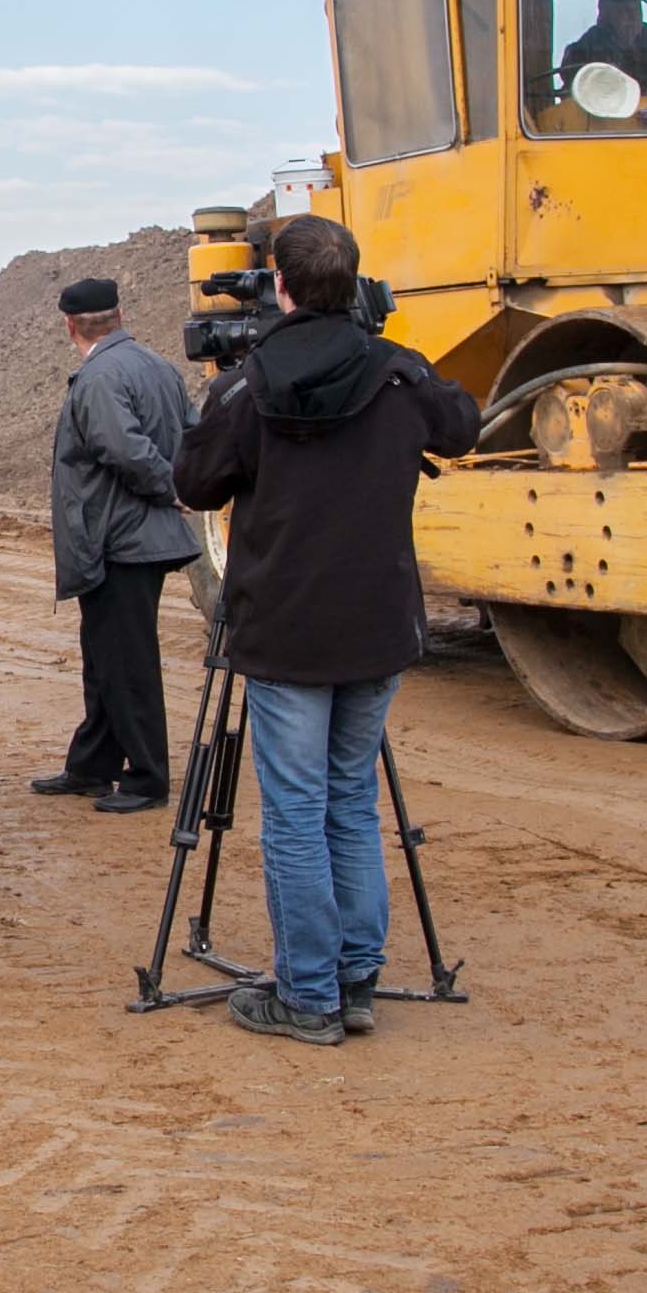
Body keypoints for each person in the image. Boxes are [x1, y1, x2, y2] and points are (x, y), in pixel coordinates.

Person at [173, 216, 478, 1046]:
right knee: (349, 803)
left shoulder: (246, 386)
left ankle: (307, 995)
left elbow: (193, 485)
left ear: (279, 285)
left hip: (284, 628)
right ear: (354, 285)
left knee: (296, 813)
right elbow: (463, 425)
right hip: (375, 623)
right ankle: (352, 980)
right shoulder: (397, 374)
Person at [34, 276, 200, 814]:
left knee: (127, 663)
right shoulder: (159, 367)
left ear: (69, 326)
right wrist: (185, 480)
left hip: (119, 539)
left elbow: (122, 449)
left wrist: (171, 487)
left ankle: (147, 778)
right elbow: (193, 433)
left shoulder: (99, 377)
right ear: (119, 315)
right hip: (134, 537)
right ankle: (92, 765)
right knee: (106, 655)